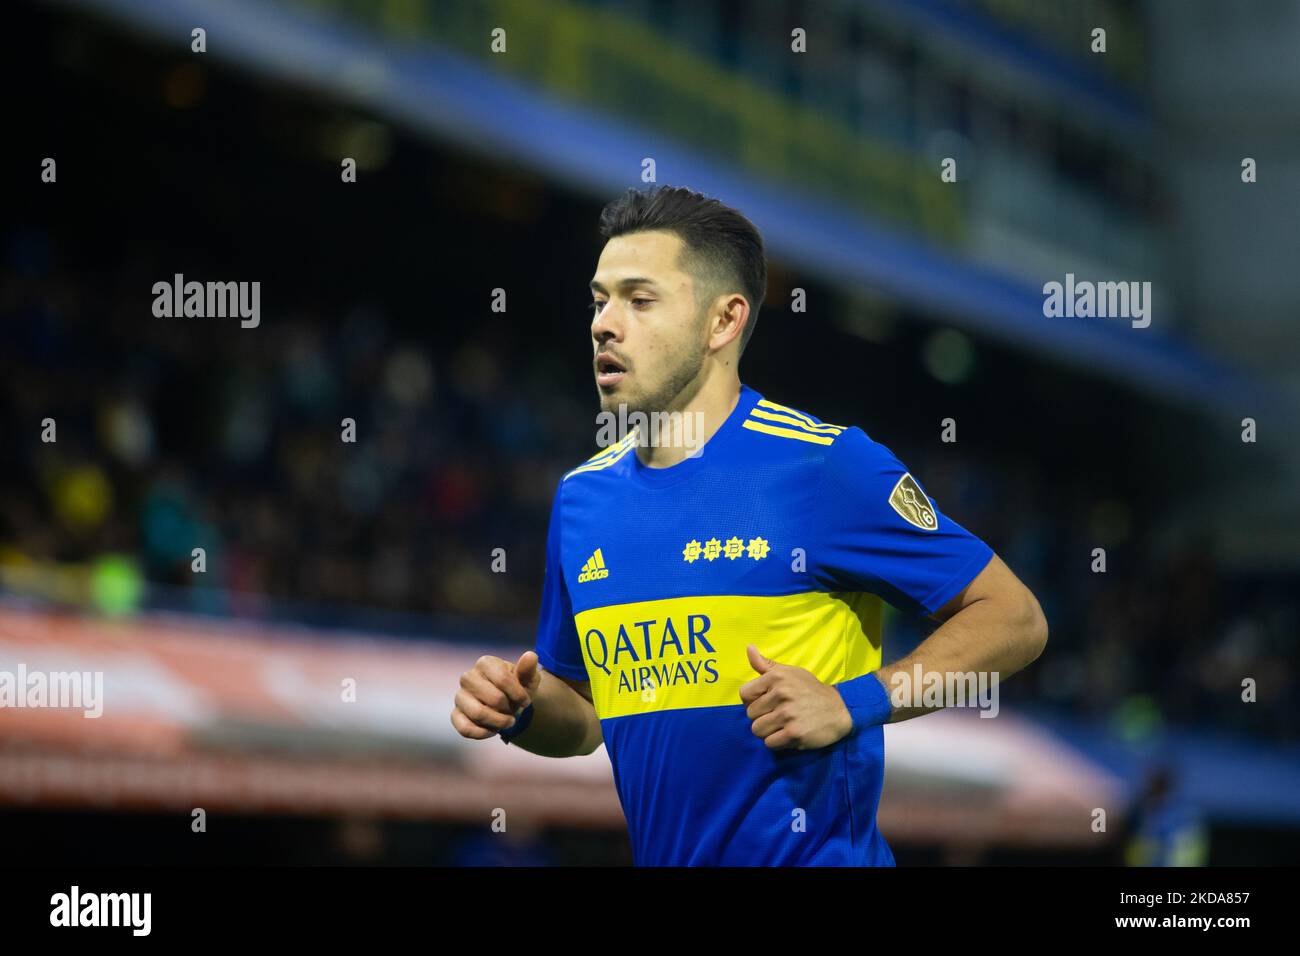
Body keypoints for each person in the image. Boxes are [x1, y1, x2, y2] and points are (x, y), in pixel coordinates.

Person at [452, 185, 1048, 865]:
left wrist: (855, 702)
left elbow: (1015, 619)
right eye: (599, 299)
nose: (603, 324)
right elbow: (585, 720)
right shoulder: (582, 498)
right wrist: (522, 709)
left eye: (639, 300)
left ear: (723, 321)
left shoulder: (825, 466)